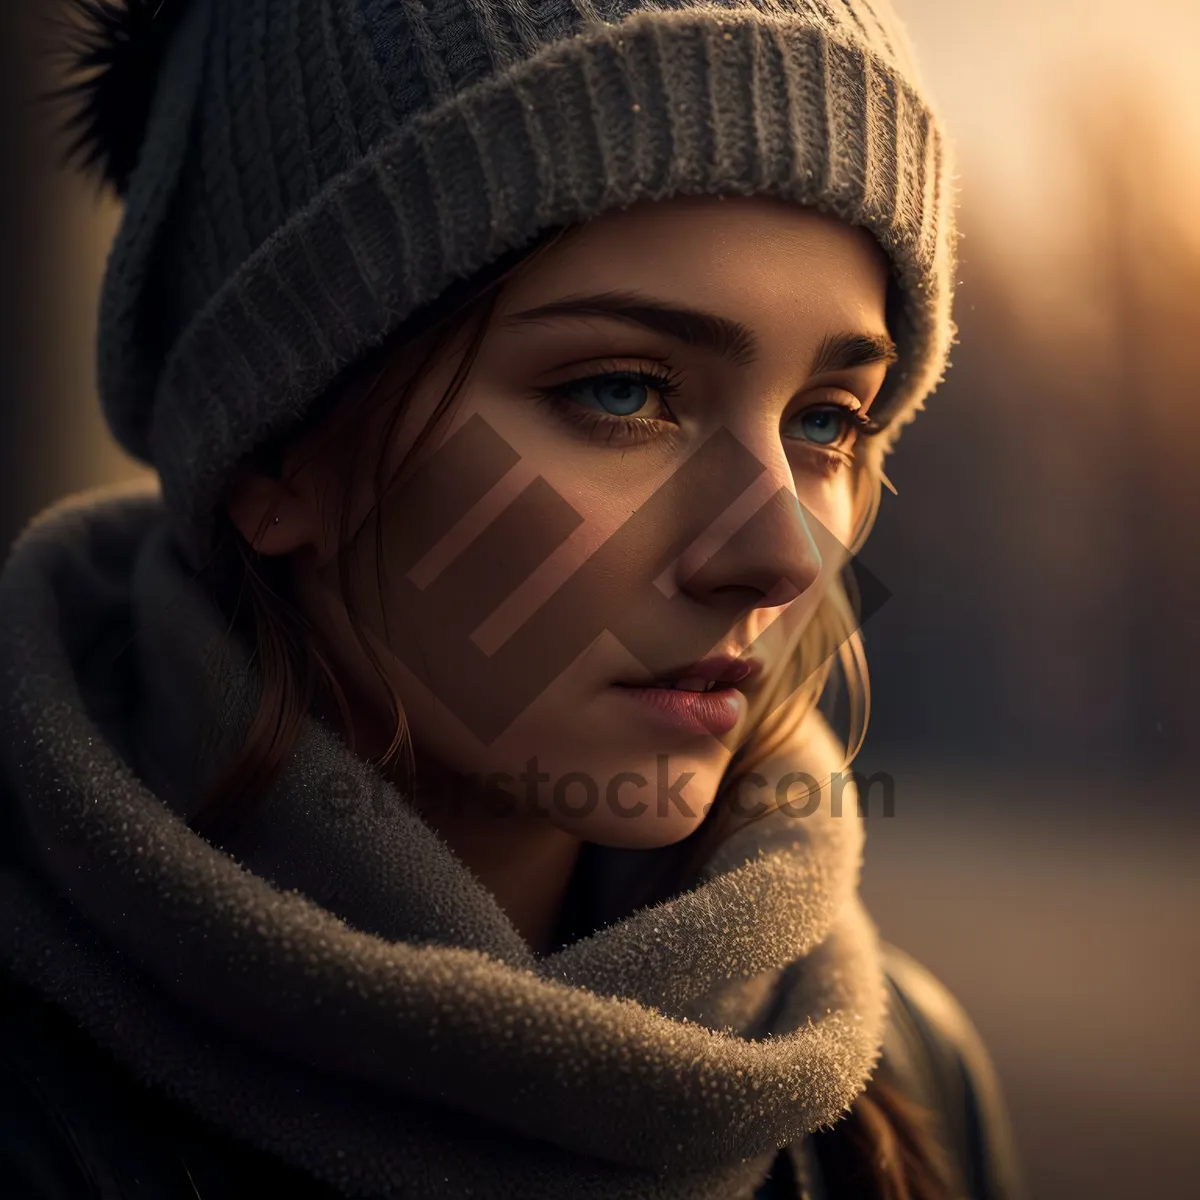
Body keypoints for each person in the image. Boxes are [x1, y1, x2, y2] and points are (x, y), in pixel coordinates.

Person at [0, 1, 1025, 1197]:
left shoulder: (909, 1084)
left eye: (828, 421)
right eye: (623, 393)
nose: (782, 556)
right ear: (277, 452)